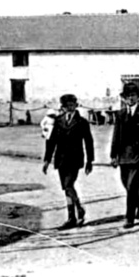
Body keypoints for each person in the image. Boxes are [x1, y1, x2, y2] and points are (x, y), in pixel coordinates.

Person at [43, 94, 94, 230]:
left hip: (75, 159)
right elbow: (51, 141)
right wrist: (47, 159)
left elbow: (89, 142)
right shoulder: (58, 121)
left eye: (72, 105)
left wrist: (90, 161)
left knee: (68, 184)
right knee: (66, 189)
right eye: (67, 106)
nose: (70, 108)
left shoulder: (82, 122)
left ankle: (79, 208)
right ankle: (71, 217)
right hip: (61, 159)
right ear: (63, 107)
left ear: (76, 105)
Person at [110, 81, 139, 229]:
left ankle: (130, 218)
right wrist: (113, 155)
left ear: (138, 97)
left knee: (132, 187)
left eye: (134, 95)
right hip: (123, 156)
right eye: (128, 96)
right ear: (124, 98)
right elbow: (116, 135)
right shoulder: (120, 114)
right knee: (126, 184)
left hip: (138, 156)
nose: (131, 98)